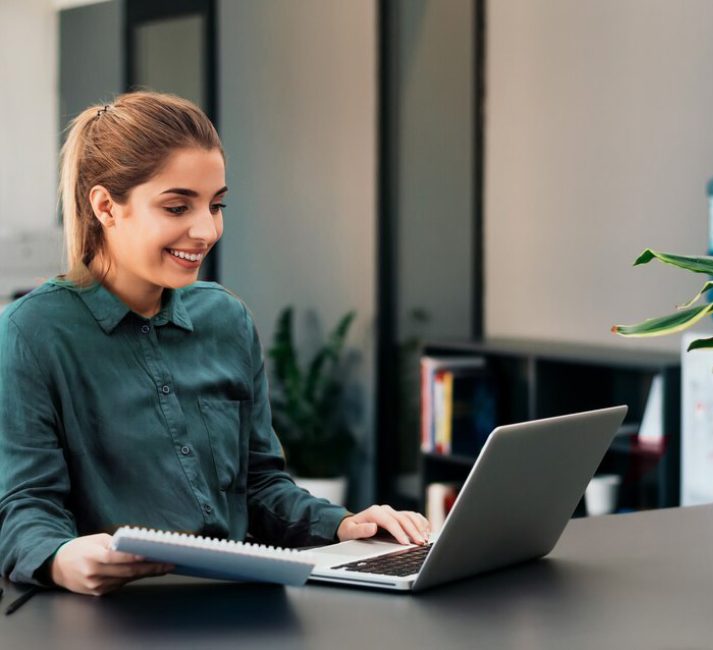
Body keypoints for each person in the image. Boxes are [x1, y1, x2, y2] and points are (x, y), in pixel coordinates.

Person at [0, 91, 429, 596]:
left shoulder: (226, 318)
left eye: (216, 204)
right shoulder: (30, 332)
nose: (206, 230)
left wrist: (343, 525)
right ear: (105, 207)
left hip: (239, 604)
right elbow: (23, 506)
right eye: (178, 206)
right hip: (114, 615)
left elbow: (261, 486)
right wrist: (59, 556)